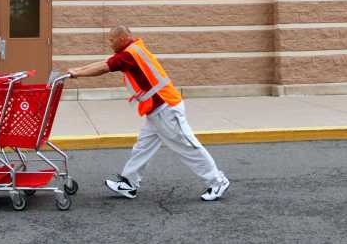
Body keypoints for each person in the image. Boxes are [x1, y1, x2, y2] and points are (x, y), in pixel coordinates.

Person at [67, 25, 230, 201]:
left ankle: (217, 181)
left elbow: (104, 67)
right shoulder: (132, 50)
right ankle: (129, 183)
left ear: (122, 39)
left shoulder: (130, 55)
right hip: (157, 110)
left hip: (166, 108)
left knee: (187, 146)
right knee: (142, 147)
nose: (110, 43)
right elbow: (105, 62)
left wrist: (79, 73)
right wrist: (78, 70)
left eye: (111, 40)